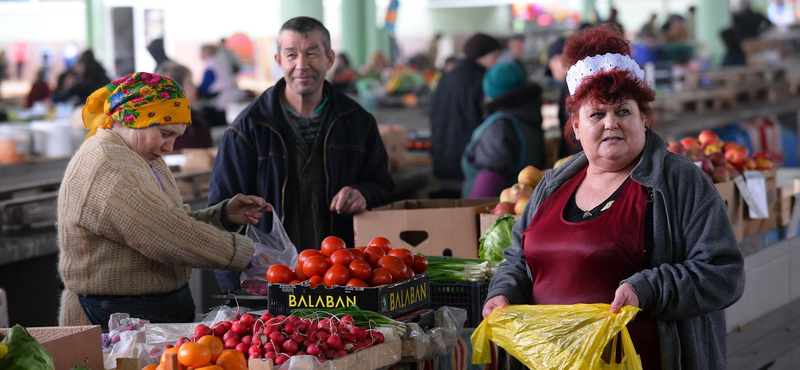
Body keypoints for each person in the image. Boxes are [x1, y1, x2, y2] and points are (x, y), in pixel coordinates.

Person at [482, 25, 745, 370]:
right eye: (596, 114)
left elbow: (724, 273)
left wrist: (649, 288)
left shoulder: (679, 181)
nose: (610, 124)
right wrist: (503, 292)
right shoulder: (552, 185)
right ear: (576, 127)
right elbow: (517, 258)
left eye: (623, 111)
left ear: (644, 119)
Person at [58, 72, 268, 328]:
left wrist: (221, 217)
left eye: (175, 137)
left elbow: (167, 219)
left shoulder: (140, 157)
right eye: (165, 133)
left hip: (145, 315)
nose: (170, 147)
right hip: (110, 321)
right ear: (137, 119)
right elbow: (167, 236)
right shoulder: (109, 167)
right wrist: (251, 254)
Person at [208, 17, 395, 292]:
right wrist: (233, 292)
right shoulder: (248, 128)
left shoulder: (357, 121)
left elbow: (385, 185)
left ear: (330, 58)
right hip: (271, 282)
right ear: (279, 60)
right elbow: (221, 214)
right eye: (291, 54)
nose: (301, 65)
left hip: (342, 280)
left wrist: (363, 192)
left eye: (312, 53)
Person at [430, 33, 500, 197]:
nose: (495, 61)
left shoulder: (445, 78)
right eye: (494, 56)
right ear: (482, 56)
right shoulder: (480, 80)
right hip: (467, 163)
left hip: (441, 160)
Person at [461, 62, 543, 198]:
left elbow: (489, 181)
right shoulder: (526, 116)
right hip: (519, 208)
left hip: (491, 214)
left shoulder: (500, 127)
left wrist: (473, 217)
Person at [156, 62, 213, 149]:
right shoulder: (165, 124)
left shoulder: (195, 117)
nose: (194, 86)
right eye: (190, 82)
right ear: (177, 88)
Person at [547, 37, 582, 158]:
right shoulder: (582, 81)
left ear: (559, 60)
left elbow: (573, 132)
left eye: (550, 68)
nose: (552, 74)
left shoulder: (570, 86)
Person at [198, 44, 239, 126]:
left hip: (221, 98)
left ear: (207, 52)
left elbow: (204, 86)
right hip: (229, 95)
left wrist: (197, 93)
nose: (200, 55)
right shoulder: (219, 61)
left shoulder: (210, 65)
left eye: (201, 52)